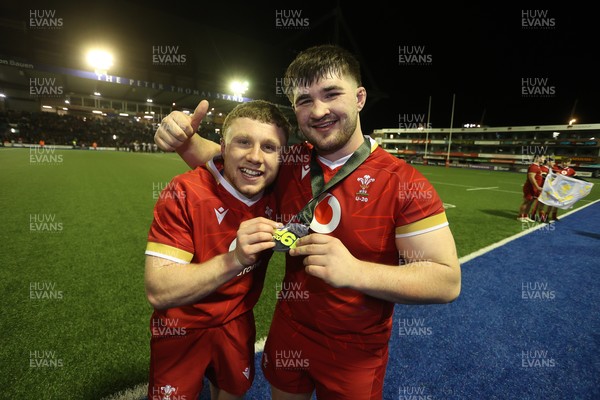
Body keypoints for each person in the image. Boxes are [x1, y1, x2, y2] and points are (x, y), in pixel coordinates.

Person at [154, 44, 461, 400]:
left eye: (331, 94)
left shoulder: (403, 182)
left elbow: (446, 279)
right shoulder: (287, 161)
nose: (318, 111)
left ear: (360, 97)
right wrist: (180, 137)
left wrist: (356, 271)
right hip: (290, 330)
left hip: (355, 347)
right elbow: (227, 160)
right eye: (304, 100)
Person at [144, 100, 291, 400]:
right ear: (223, 147)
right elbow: (159, 290)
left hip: (237, 322)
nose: (255, 157)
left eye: (269, 147)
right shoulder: (185, 191)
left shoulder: (282, 194)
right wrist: (235, 260)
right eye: (243, 142)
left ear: (282, 156)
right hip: (180, 325)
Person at [518, 153, 545, 222]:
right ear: (538, 158)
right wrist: (537, 187)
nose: (544, 159)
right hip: (530, 187)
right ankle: (520, 216)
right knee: (526, 202)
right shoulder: (534, 166)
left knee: (530, 203)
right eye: (542, 157)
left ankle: (525, 216)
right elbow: (531, 177)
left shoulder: (538, 166)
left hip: (534, 188)